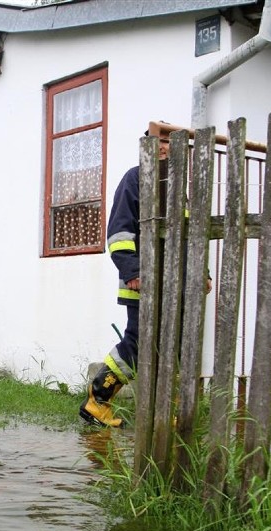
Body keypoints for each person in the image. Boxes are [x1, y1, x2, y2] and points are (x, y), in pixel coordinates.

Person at [79, 135, 171, 428]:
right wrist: (132, 271)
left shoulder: (177, 188)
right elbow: (119, 232)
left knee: (171, 347)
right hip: (141, 283)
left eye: (169, 141)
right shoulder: (135, 179)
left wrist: (202, 273)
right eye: (159, 140)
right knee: (138, 344)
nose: (164, 147)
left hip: (174, 287)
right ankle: (97, 401)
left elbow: (190, 237)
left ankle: (166, 411)